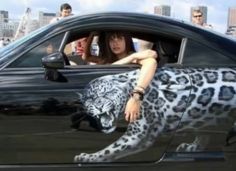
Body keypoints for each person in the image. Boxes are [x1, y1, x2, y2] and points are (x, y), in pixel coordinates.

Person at [84, 31, 158, 122]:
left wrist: (137, 95)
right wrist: (91, 35)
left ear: (127, 40)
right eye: (111, 40)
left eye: (120, 39)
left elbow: (151, 61)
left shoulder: (135, 57)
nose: (115, 43)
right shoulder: (108, 58)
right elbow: (86, 57)